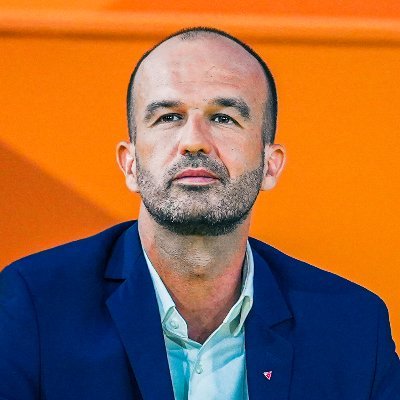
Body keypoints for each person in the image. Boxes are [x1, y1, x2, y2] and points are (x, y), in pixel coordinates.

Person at [0, 27, 399, 400]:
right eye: (168, 117)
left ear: (270, 164)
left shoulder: (352, 329)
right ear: (130, 164)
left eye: (224, 118)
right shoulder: (33, 306)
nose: (193, 141)